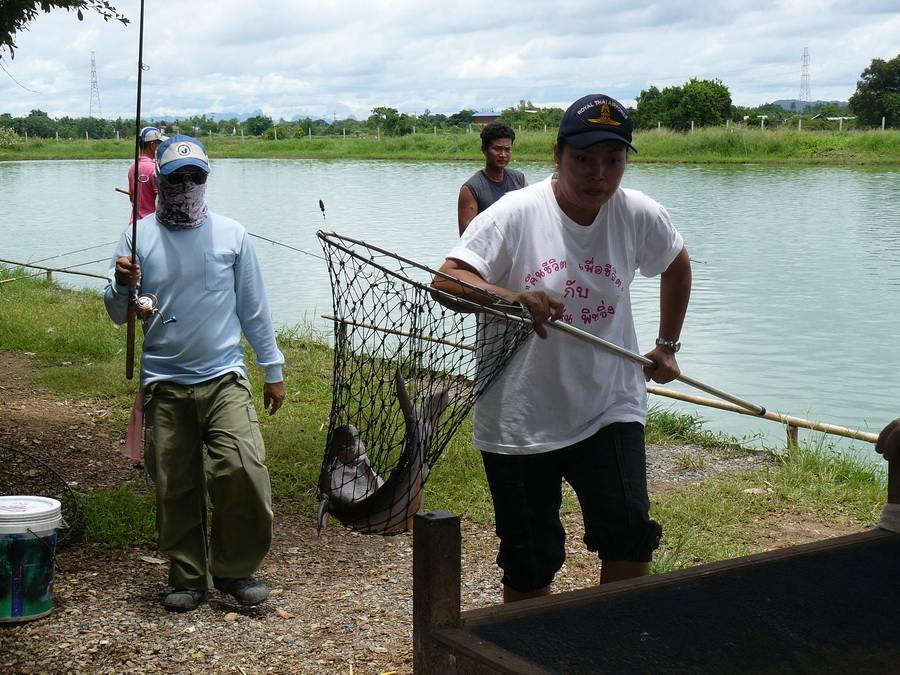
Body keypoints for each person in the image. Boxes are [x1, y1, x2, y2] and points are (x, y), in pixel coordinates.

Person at [433, 94, 692, 603]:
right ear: (558, 154)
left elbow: (677, 264)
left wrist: (666, 345)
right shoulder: (514, 212)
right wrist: (511, 297)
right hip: (520, 412)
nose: (599, 173)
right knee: (530, 558)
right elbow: (446, 282)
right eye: (583, 159)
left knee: (629, 532)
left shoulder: (638, 212)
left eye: (613, 161)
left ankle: (614, 646)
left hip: (609, 404)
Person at [104, 134, 286, 613]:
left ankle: (235, 568)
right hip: (164, 380)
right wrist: (122, 284)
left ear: (206, 180)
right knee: (175, 481)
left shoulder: (232, 234)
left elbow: (254, 308)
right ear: (158, 181)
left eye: (195, 177)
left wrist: (273, 368)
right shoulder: (136, 236)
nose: (186, 185)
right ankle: (187, 574)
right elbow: (117, 313)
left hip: (224, 375)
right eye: (176, 177)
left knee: (243, 469)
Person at [457, 122, 527, 235]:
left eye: (507, 149)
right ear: (484, 150)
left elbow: (529, 218)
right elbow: (467, 239)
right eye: (497, 149)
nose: (503, 154)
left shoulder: (520, 180)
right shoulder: (470, 189)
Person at [127, 126, 167, 223]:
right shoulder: (154, 168)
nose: (162, 147)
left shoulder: (133, 167)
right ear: (153, 145)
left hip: (135, 225)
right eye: (160, 144)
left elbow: (132, 197)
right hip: (151, 226)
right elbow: (162, 201)